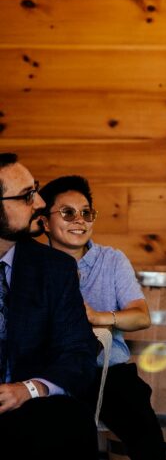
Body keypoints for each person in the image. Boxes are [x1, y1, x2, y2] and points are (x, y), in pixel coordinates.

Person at [38, 175, 166, 460]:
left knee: (149, 440)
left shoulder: (111, 259)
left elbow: (141, 317)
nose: (79, 220)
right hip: (53, 373)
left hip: (108, 371)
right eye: (67, 213)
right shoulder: (33, 263)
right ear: (45, 223)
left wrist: (96, 316)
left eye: (86, 213)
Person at [0, 153, 98, 459]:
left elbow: (79, 350)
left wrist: (28, 389)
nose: (40, 203)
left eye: (36, 190)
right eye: (27, 195)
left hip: (31, 407)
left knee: (70, 421)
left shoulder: (55, 269)